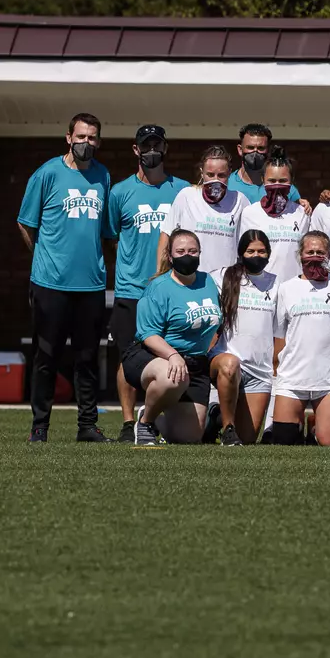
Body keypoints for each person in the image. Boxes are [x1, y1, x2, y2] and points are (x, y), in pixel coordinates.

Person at [17, 112, 114, 443]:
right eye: (81, 136)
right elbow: (25, 223)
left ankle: (87, 425)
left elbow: (103, 231)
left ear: (98, 142)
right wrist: (44, 258)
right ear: (68, 137)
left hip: (90, 284)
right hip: (50, 284)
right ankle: (39, 427)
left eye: (92, 138)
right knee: (47, 357)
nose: (86, 143)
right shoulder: (47, 174)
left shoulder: (103, 176)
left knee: (87, 358)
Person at [105, 123, 189, 443]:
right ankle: (129, 423)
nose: (152, 151)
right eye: (146, 145)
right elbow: (112, 237)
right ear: (135, 149)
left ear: (166, 148)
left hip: (169, 291)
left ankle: (152, 419)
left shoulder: (182, 191)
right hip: (131, 289)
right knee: (127, 359)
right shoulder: (120, 192)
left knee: (168, 357)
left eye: (158, 145)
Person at [125, 229, 234, 445]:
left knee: (189, 437)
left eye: (193, 251)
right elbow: (148, 334)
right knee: (173, 377)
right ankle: (145, 423)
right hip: (154, 356)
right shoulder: (158, 287)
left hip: (195, 363)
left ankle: (157, 422)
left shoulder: (208, 282)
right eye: (181, 251)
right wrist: (173, 355)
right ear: (170, 255)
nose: (187, 255)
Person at [270, 231, 330, 445]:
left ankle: (315, 424)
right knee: (284, 441)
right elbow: (280, 335)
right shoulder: (287, 289)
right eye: (310, 252)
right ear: (300, 255)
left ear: (329, 255)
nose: (315, 256)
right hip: (293, 376)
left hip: (329, 378)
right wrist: (276, 369)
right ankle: (298, 422)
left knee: (327, 442)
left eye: (320, 252)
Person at [209, 230, 279, 445]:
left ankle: (217, 417)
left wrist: (276, 366)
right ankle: (226, 425)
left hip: (260, 371)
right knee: (230, 364)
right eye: (250, 251)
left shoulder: (277, 285)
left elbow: (279, 332)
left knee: (247, 439)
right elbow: (211, 322)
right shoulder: (221, 277)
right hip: (227, 363)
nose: (256, 255)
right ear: (240, 253)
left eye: (261, 251)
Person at [162, 145, 242, 273]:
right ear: (202, 172)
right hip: (190, 280)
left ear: (229, 173)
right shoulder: (187, 196)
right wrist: (160, 277)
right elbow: (166, 235)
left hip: (227, 282)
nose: (215, 180)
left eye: (221, 175)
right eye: (210, 174)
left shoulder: (239, 200)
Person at [238, 147, 308, 282]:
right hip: (261, 287)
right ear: (263, 180)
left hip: (293, 287)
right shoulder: (250, 213)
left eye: (282, 181)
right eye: (271, 181)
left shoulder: (302, 213)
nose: (277, 185)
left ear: (291, 181)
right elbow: (244, 253)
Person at [226, 123, 303, 208]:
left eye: (261, 148)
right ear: (240, 150)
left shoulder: (285, 188)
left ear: (268, 150)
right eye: (250, 147)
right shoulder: (227, 185)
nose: (255, 152)